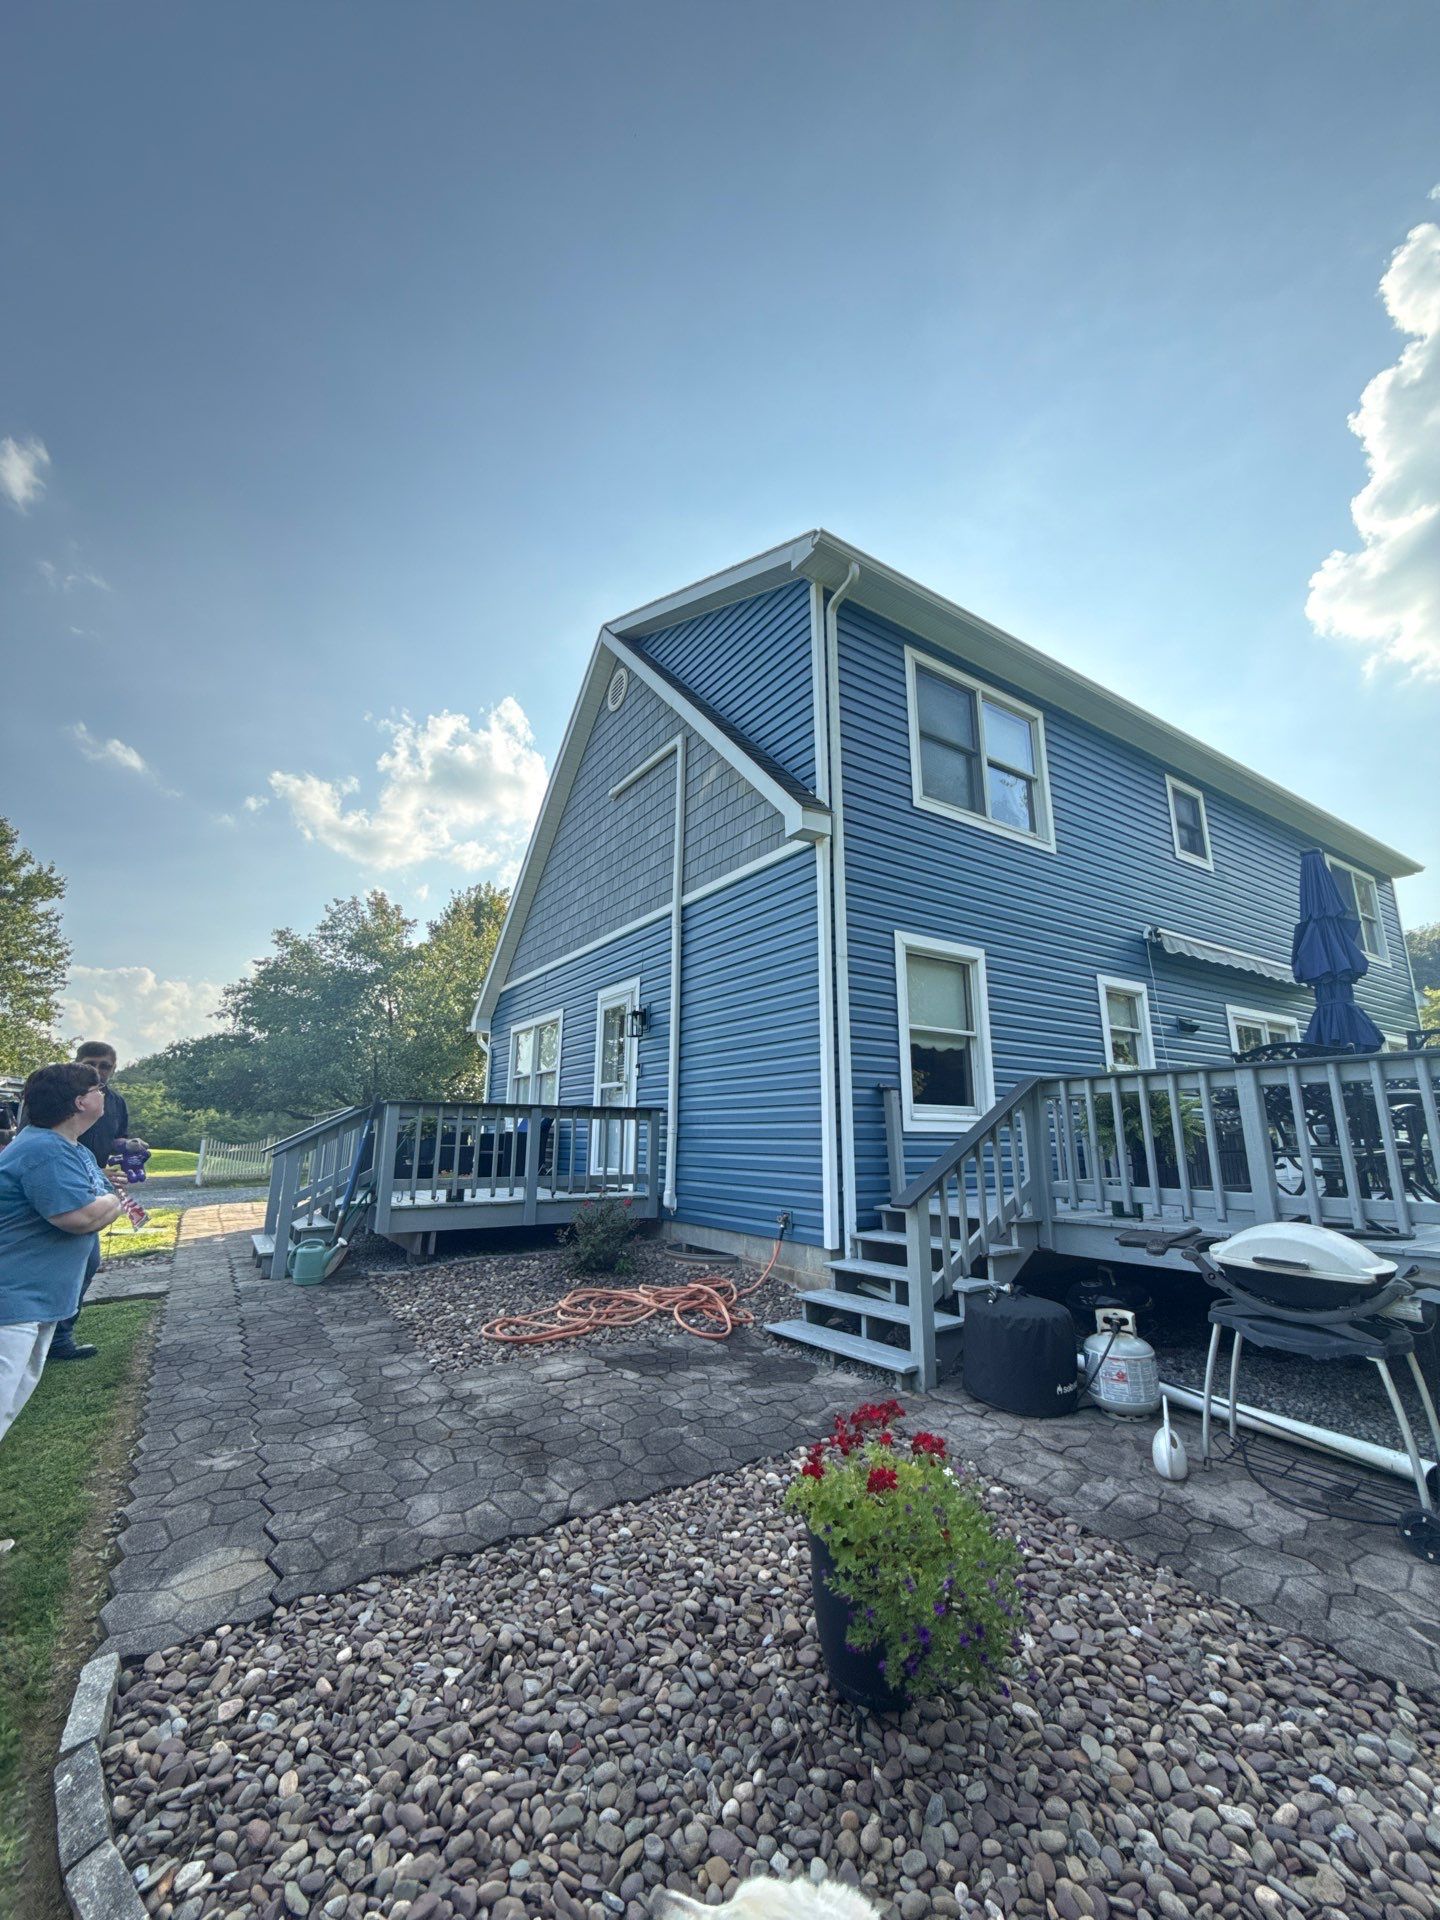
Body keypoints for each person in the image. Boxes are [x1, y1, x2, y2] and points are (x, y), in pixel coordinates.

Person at [0, 1063, 122, 1445]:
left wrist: (107, 1197)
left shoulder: (71, 1148)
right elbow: (80, 1217)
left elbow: (98, 1191)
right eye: (99, 1088)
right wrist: (113, 1202)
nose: (105, 1094)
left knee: (11, 1399)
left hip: (39, 1300)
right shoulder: (43, 1150)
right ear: (80, 1101)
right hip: (13, 1299)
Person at [49, 1040, 148, 1362]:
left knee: (86, 1263)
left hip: (94, 1186)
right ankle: (42, 1336)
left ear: (114, 1068)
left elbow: (113, 1137)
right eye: (91, 1063)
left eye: (105, 1065)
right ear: (77, 1062)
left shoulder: (113, 1101)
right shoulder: (54, 1097)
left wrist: (128, 1145)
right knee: (52, 1264)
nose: (98, 1070)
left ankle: (59, 1336)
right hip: (60, 1183)